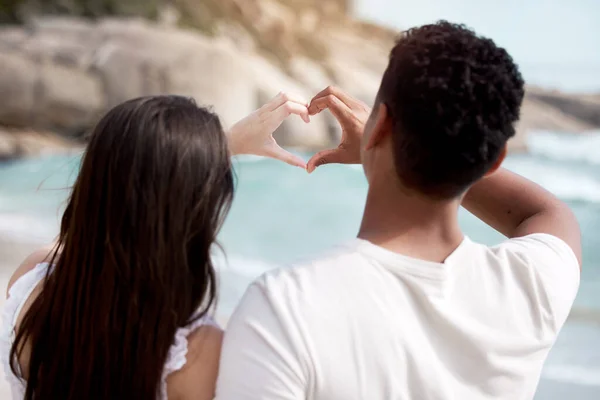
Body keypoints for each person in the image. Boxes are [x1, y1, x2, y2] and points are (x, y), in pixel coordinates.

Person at [215, 21, 581, 399]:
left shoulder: (284, 308)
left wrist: (219, 147)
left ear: (380, 125)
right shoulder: (532, 287)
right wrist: (460, 154)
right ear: (495, 160)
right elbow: (548, 212)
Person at [1, 93, 311, 400]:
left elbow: (122, 199)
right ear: (191, 220)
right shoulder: (194, 356)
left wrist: (217, 149)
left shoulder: (32, 284)